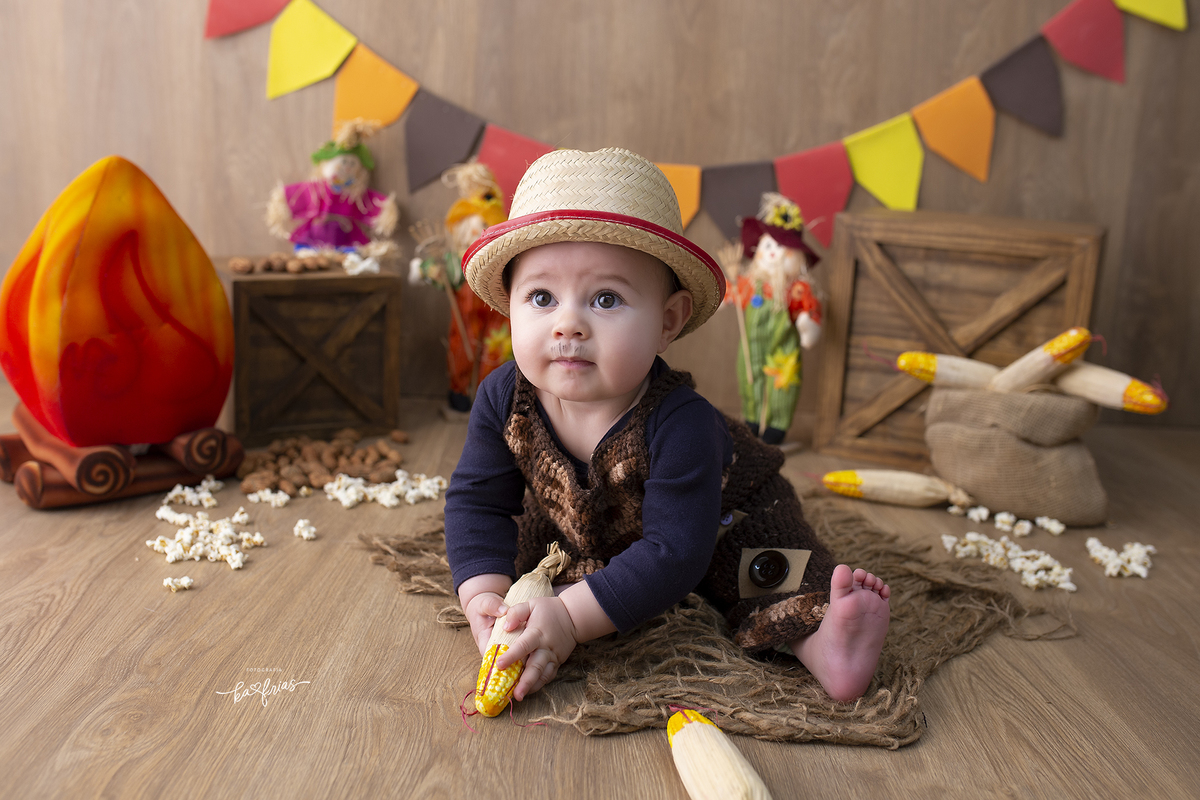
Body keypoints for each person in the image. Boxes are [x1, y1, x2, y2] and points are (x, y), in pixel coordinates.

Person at [444, 148, 890, 705]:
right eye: (541, 297)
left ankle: (825, 644)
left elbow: (677, 553)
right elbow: (477, 501)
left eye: (605, 298)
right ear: (510, 307)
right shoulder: (502, 397)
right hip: (583, 515)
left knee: (758, 565)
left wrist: (569, 619)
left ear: (667, 322)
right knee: (528, 548)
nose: (568, 324)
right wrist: (481, 593)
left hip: (718, 511)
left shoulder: (683, 425)